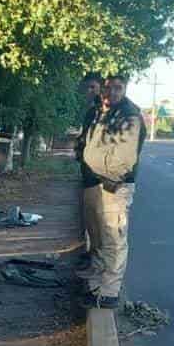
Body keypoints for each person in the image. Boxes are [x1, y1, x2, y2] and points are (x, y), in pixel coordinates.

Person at [78, 74, 146, 309]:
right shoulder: (102, 112)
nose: (112, 92)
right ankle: (97, 284)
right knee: (97, 237)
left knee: (113, 238)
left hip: (113, 185)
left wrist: (108, 178)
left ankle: (109, 292)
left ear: (125, 89)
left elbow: (125, 159)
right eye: (109, 87)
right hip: (95, 183)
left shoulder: (130, 116)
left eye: (118, 88)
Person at [76, 73, 105, 274]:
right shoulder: (93, 111)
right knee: (89, 218)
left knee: (98, 220)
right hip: (87, 172)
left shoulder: (108, 111)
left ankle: (99, 260)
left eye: (93, 87)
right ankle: (92, 254)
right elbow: (85, 136)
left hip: (99, 174)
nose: (89, 91)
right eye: (87, 87)